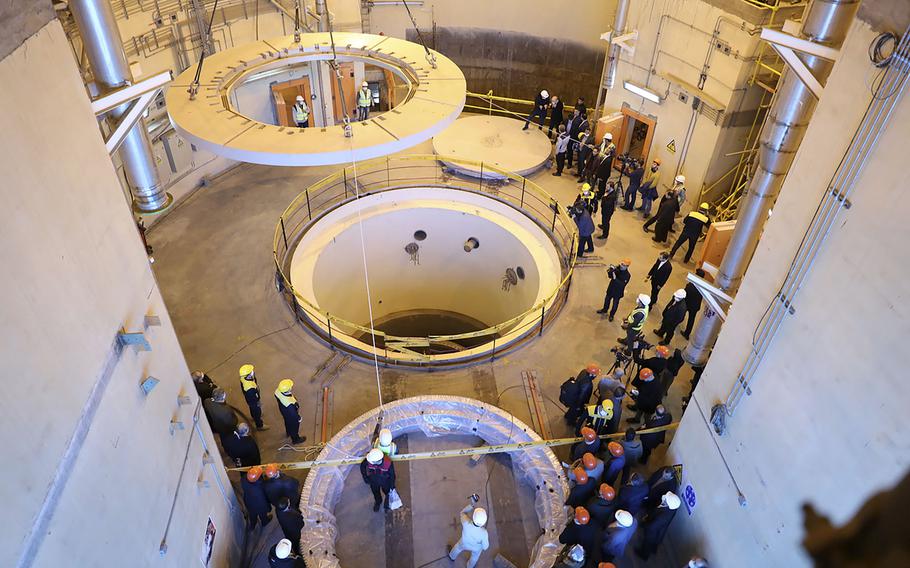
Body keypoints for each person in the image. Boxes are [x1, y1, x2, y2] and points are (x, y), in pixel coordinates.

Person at [636, 492, 681, 560]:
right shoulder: (671, 508)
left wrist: (644, 525)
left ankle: (644, 555)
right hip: (659, 530)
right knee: (654, 542)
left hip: (653, 531)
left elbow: (652, 527)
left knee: (647, 543)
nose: (664, 497)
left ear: (668, 504)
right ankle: (653, 549)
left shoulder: (663, 516)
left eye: (666, 498)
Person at [448, 498, 490, 568]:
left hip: (464, 542)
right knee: (475, 557)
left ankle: (452, 556)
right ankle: (469, 566)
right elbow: (485, 547)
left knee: (458, 547)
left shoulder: (466, 522)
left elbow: (462, 512)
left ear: (473, 517)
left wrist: (472, 504)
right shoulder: (484, 533)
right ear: (484, 522)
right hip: (476, 548)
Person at [274, 379, 306, 445]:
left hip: (284, 412)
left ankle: (288, 432)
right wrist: (298, 418)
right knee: (294, 427)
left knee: (287, 422)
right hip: (290, 416)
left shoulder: (277, 391)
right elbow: (293, 415)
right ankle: (295, 439)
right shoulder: (289, 404)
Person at [238, 364, 268, 431]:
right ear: (247, 375)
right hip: (253, 401)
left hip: (250, 400)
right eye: (251, 371)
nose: (252, 372)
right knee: (256, 411)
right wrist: (258, 401)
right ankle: (259, 425)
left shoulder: (243, 378)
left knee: (252, 409)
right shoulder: (249, 389)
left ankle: (254, 417)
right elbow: (254, 398)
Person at [681, 269, 706, 339]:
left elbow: (685, 294)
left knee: (682, 313)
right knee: (691, 320)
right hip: (695, 307)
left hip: (687, 304)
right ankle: (687, 333)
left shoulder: (691, 285)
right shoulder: (702, 286)